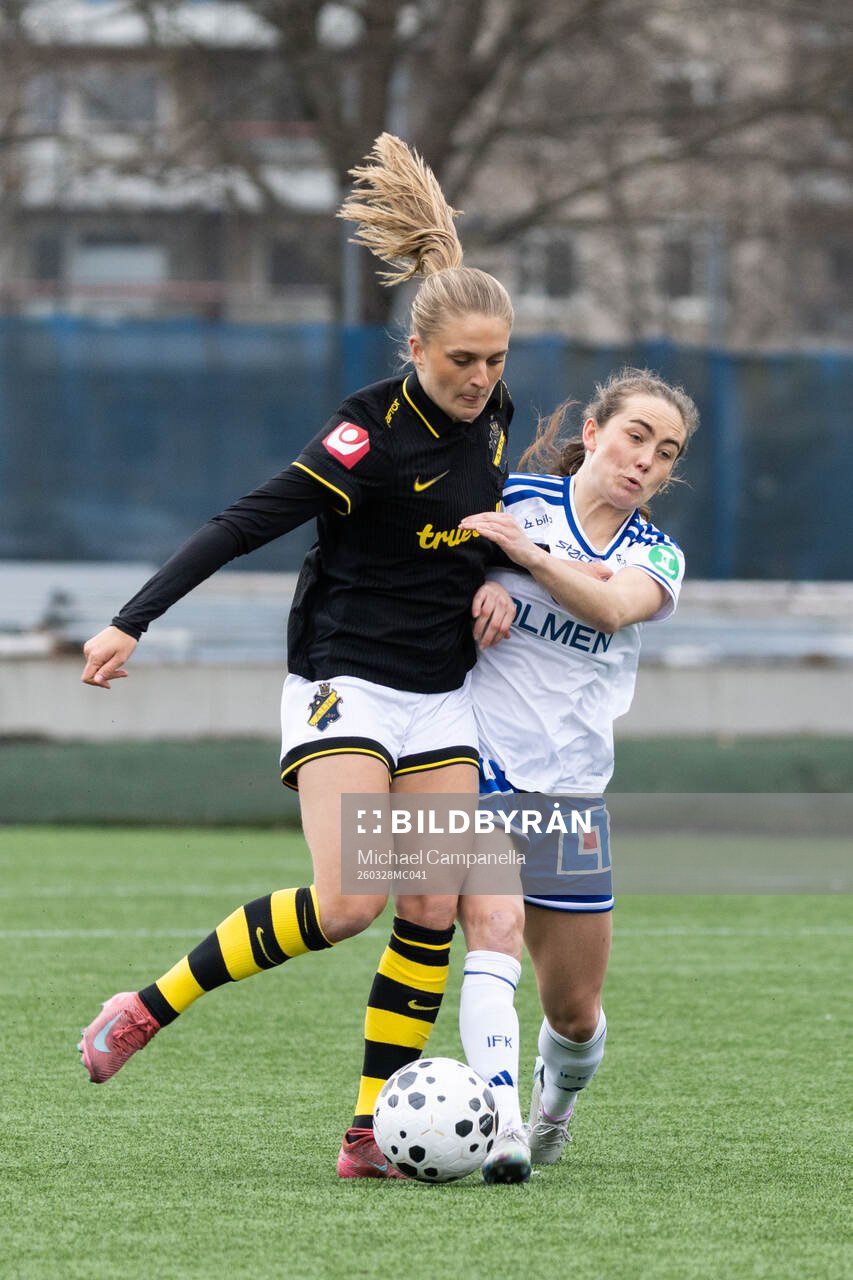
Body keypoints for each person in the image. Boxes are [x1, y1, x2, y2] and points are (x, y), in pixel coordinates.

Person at [76, 132, 529, 1182]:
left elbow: (493, 517)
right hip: (347, 681)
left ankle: (368, 1128)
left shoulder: (495, 418)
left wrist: (500, 581)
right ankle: (149, 1004)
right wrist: (129, 619)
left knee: (430, 906)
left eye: (496, 358)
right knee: (347, 902)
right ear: (416, 352)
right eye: (461, 360)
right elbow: (243, 522)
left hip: (441, 694)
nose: (480, 378)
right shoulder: (364, 435)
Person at [454, 367, 699, 1164]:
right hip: (477, 759)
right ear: (592, 434)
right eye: (634, 437)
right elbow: (429, 564)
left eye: (665, 453)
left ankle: (551, 1108)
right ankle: (502, 1124)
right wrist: (473, 589)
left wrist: (520, 563)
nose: (645, 462)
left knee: (575, 1014)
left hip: (568, 793)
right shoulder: (513, 495)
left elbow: (608, 607)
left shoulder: (653, 553)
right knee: (494, 929)